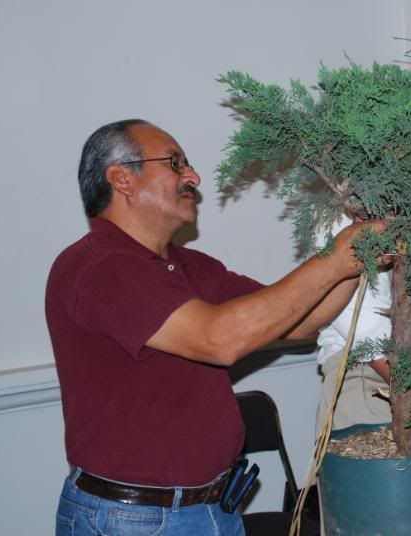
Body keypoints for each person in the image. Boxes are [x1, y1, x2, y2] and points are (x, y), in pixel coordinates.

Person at [46, 119, 386, 536]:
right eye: (176, 163)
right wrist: (333, 259)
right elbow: (219, 340)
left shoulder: (189, 266)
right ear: (121, 179)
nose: (193, 176)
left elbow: (300, 322)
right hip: (134, 519)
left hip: (214, 509)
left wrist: (357, 264)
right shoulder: (100, 267)